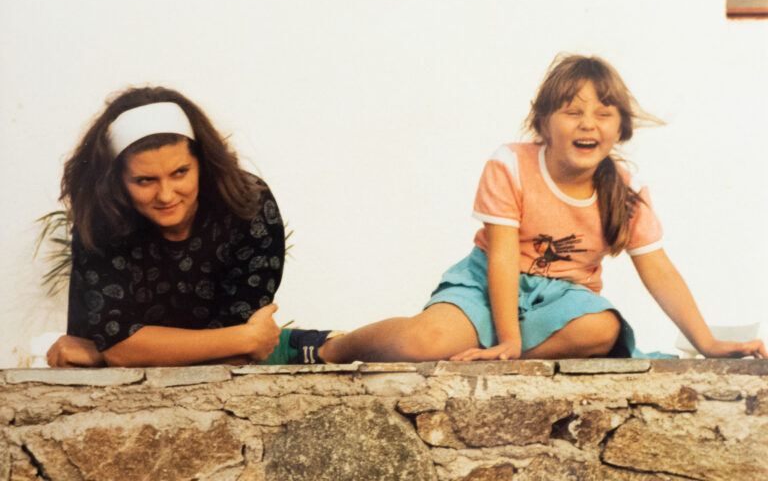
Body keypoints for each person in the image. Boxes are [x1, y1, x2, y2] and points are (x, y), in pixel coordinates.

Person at [314, 54, 767, 363]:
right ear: (543, 123)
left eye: (604, 114)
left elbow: (659, 270)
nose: (589, 123)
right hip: (487, 282)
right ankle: (327, 348)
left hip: (563, 300)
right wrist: (508, 335)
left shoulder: (627, 190)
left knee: (601, 329)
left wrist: (706, 342)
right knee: (423, 342)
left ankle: (499, 363)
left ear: (621, 128)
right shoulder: (510, 163)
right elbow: (504, 255)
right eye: (573, 111)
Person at [46, 87, 329, 367]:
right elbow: (120, 346)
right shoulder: (101, 217)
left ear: (202, 164)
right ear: (117, 181)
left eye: (180, 172)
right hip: (116, 394)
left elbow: (237, 353)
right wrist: (118, 351)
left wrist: (109, 353)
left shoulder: (248, 204)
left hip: (218, 386)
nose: (166, 195)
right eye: (145, 180)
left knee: (341, 348)